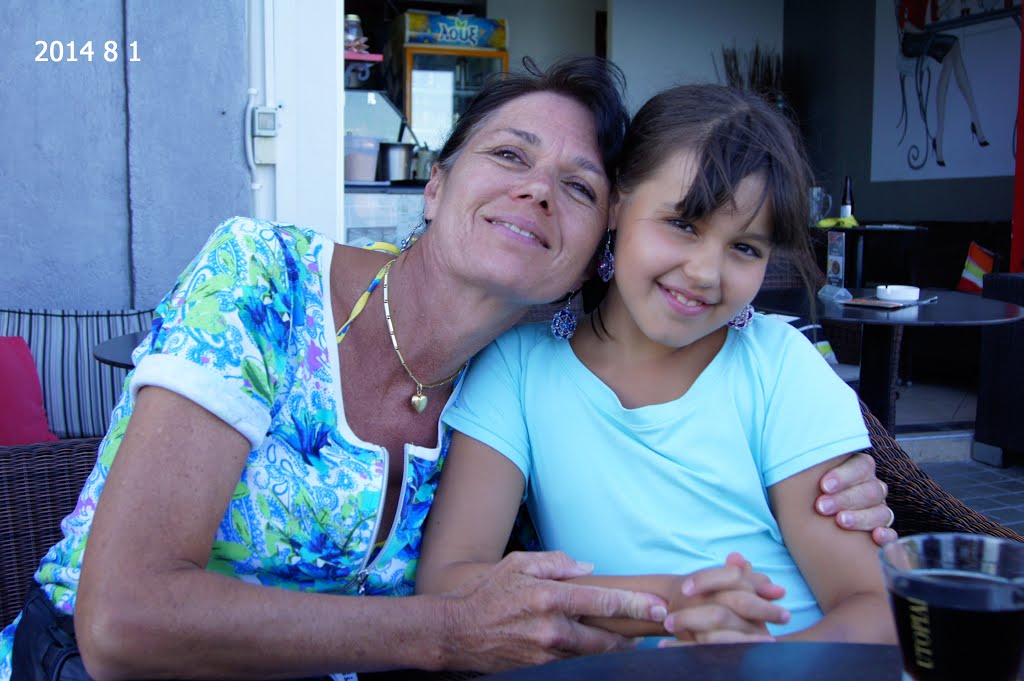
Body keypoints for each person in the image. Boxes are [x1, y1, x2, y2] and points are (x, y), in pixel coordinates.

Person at [0, 58, 892, 681]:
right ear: (434, 185)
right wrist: (447, 631)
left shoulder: (509, 365)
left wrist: (862, 491)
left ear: (596, 238)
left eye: (578, 186)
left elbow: (844, 580)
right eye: (510, 154)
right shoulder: (264, 279)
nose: (539, 191)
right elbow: (119, 624)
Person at [416, 83, 899, 645]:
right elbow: (449, 583)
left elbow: (873, 608)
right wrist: (667, 603)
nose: (704, 272)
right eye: (683, 224)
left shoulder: (776, 368)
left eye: (745, 248)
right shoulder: (518, 371)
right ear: (617, 203)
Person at [897, 0, 989, 166]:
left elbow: (934, 16)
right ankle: (975, 126)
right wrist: (922, 33)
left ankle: (940, 139)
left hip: (925, 36)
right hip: (912, 41)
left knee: (951, 54)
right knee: (953, 47)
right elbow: (903, 23)